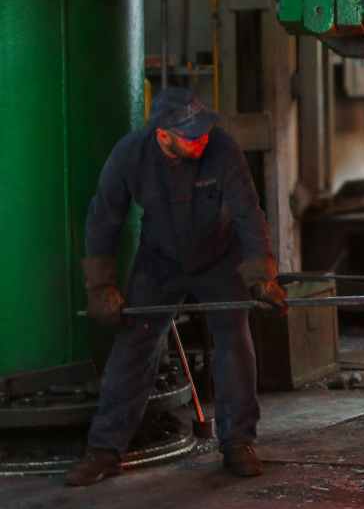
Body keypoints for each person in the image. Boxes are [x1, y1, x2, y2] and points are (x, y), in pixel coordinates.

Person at [65, 87, 287, 487]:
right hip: (160, 260)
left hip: (220, 258)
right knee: (135, 344)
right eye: (190, 135)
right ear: (162, 135)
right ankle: (104, 450)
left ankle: (238, 442)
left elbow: (247, 212)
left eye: (202, 130)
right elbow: (103, 220)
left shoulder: (222, 149)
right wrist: (101, 287)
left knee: (233, 342)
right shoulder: (131, 154)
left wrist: (261, 276)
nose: (201, 138)